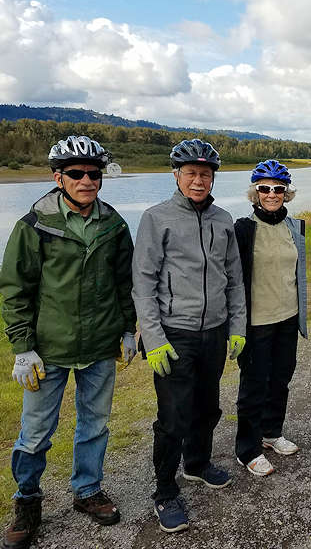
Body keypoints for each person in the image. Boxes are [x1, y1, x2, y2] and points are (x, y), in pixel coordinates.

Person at [0, 136, 136, 549]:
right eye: (76, 174)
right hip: (48, 348)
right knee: (36, 431)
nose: (87, 180)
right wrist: (22, 346)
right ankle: (27, 500)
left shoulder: (114, 224)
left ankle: (88, 490)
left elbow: (124, 283)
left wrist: (129, 329)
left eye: (94, 173)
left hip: (99, 344)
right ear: (59, 178)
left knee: (94, 424)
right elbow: (15, 289)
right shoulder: (34, 225)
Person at [132, 138, 246, 534]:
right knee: (173, 417)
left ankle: (196, 465)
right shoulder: (156, 217)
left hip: (214, 331)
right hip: (174, 334)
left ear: (213, 178)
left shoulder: (223, 219)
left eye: (206, 174)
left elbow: (234, 280)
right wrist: (153, 335)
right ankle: (165, 492)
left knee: (208, 406)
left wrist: (237, 327)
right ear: (176, 175)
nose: (199, 181)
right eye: (191, 173)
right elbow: (143, 282)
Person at [233, 160, 307, 477]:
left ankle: (271, 433)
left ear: (286, 193)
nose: (272, 194)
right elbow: (233, 279)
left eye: (279, 189)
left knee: (280, 379)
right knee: (254, 385)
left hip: (288, 316)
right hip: (256, 321)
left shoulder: (296, 227)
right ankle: (247, 449)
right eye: (265, 188)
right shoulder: (242, 229)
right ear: (255, 193)